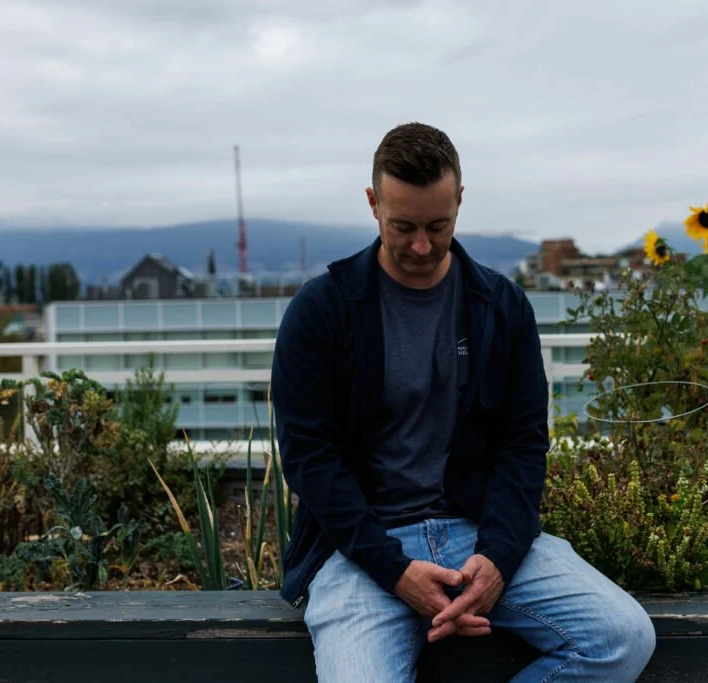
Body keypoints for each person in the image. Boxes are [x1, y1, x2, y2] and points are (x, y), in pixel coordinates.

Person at [271, 122, 656, 682]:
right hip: (358, 551)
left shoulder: (501, 307)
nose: (421, 246)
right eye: (403, 226)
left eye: (438, 225)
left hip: (478, 534)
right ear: (373, 205)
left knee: (621, 638)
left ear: (460, 202)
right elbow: (309, 460)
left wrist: (497, 562)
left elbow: (523, 447)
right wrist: (395, 570)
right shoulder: (322, 310)